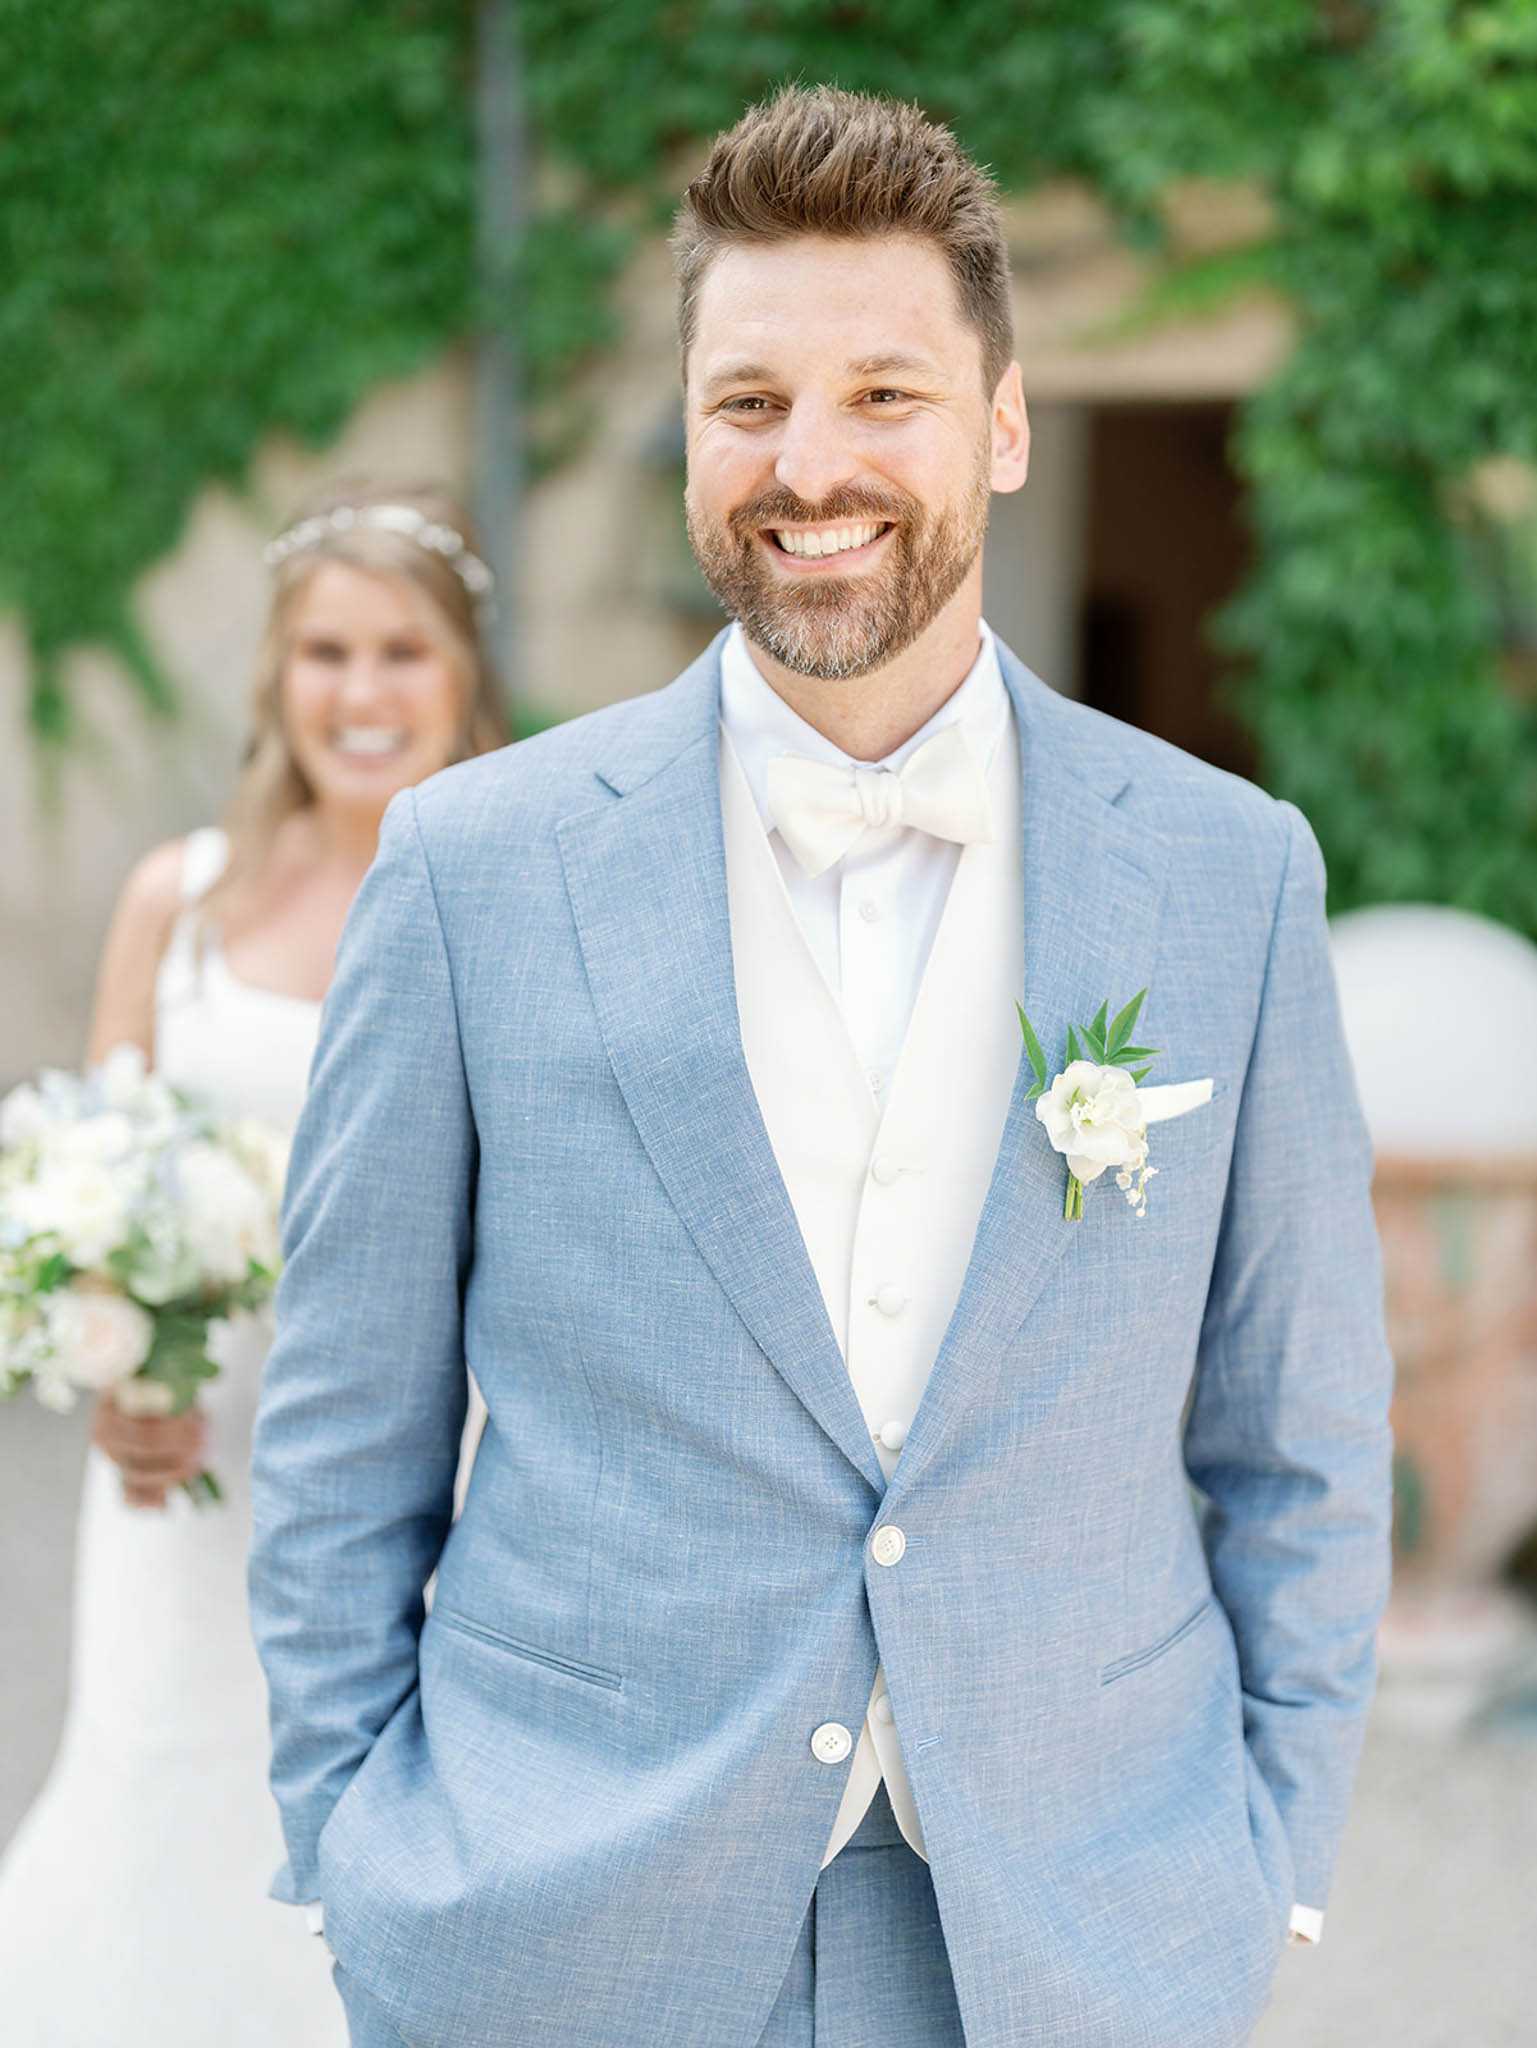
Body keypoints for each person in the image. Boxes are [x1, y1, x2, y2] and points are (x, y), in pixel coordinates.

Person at [249, 87, 1394, 2048]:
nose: (811, 464)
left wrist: (1265, 1864)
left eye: (885, 394)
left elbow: (1299, 1432)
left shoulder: (1231, 876)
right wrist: (357, 1848)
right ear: (688, 432)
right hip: (559, 1931)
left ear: (1004, 423)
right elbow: (340, 1429)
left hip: (1076, 1933)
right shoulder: (470, 870)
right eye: (748, 400)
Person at [0, 480, 507, 2046]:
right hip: (182, 1468)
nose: (362, 696)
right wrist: (106, 1384)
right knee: (163, 1776)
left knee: (384, 1818)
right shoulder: (182, 899)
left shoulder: (508, 895)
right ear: (277, 676)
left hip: (432, 1472)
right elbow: (80, 1181)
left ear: (463, 677)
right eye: (326, 653)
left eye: (402, 654)